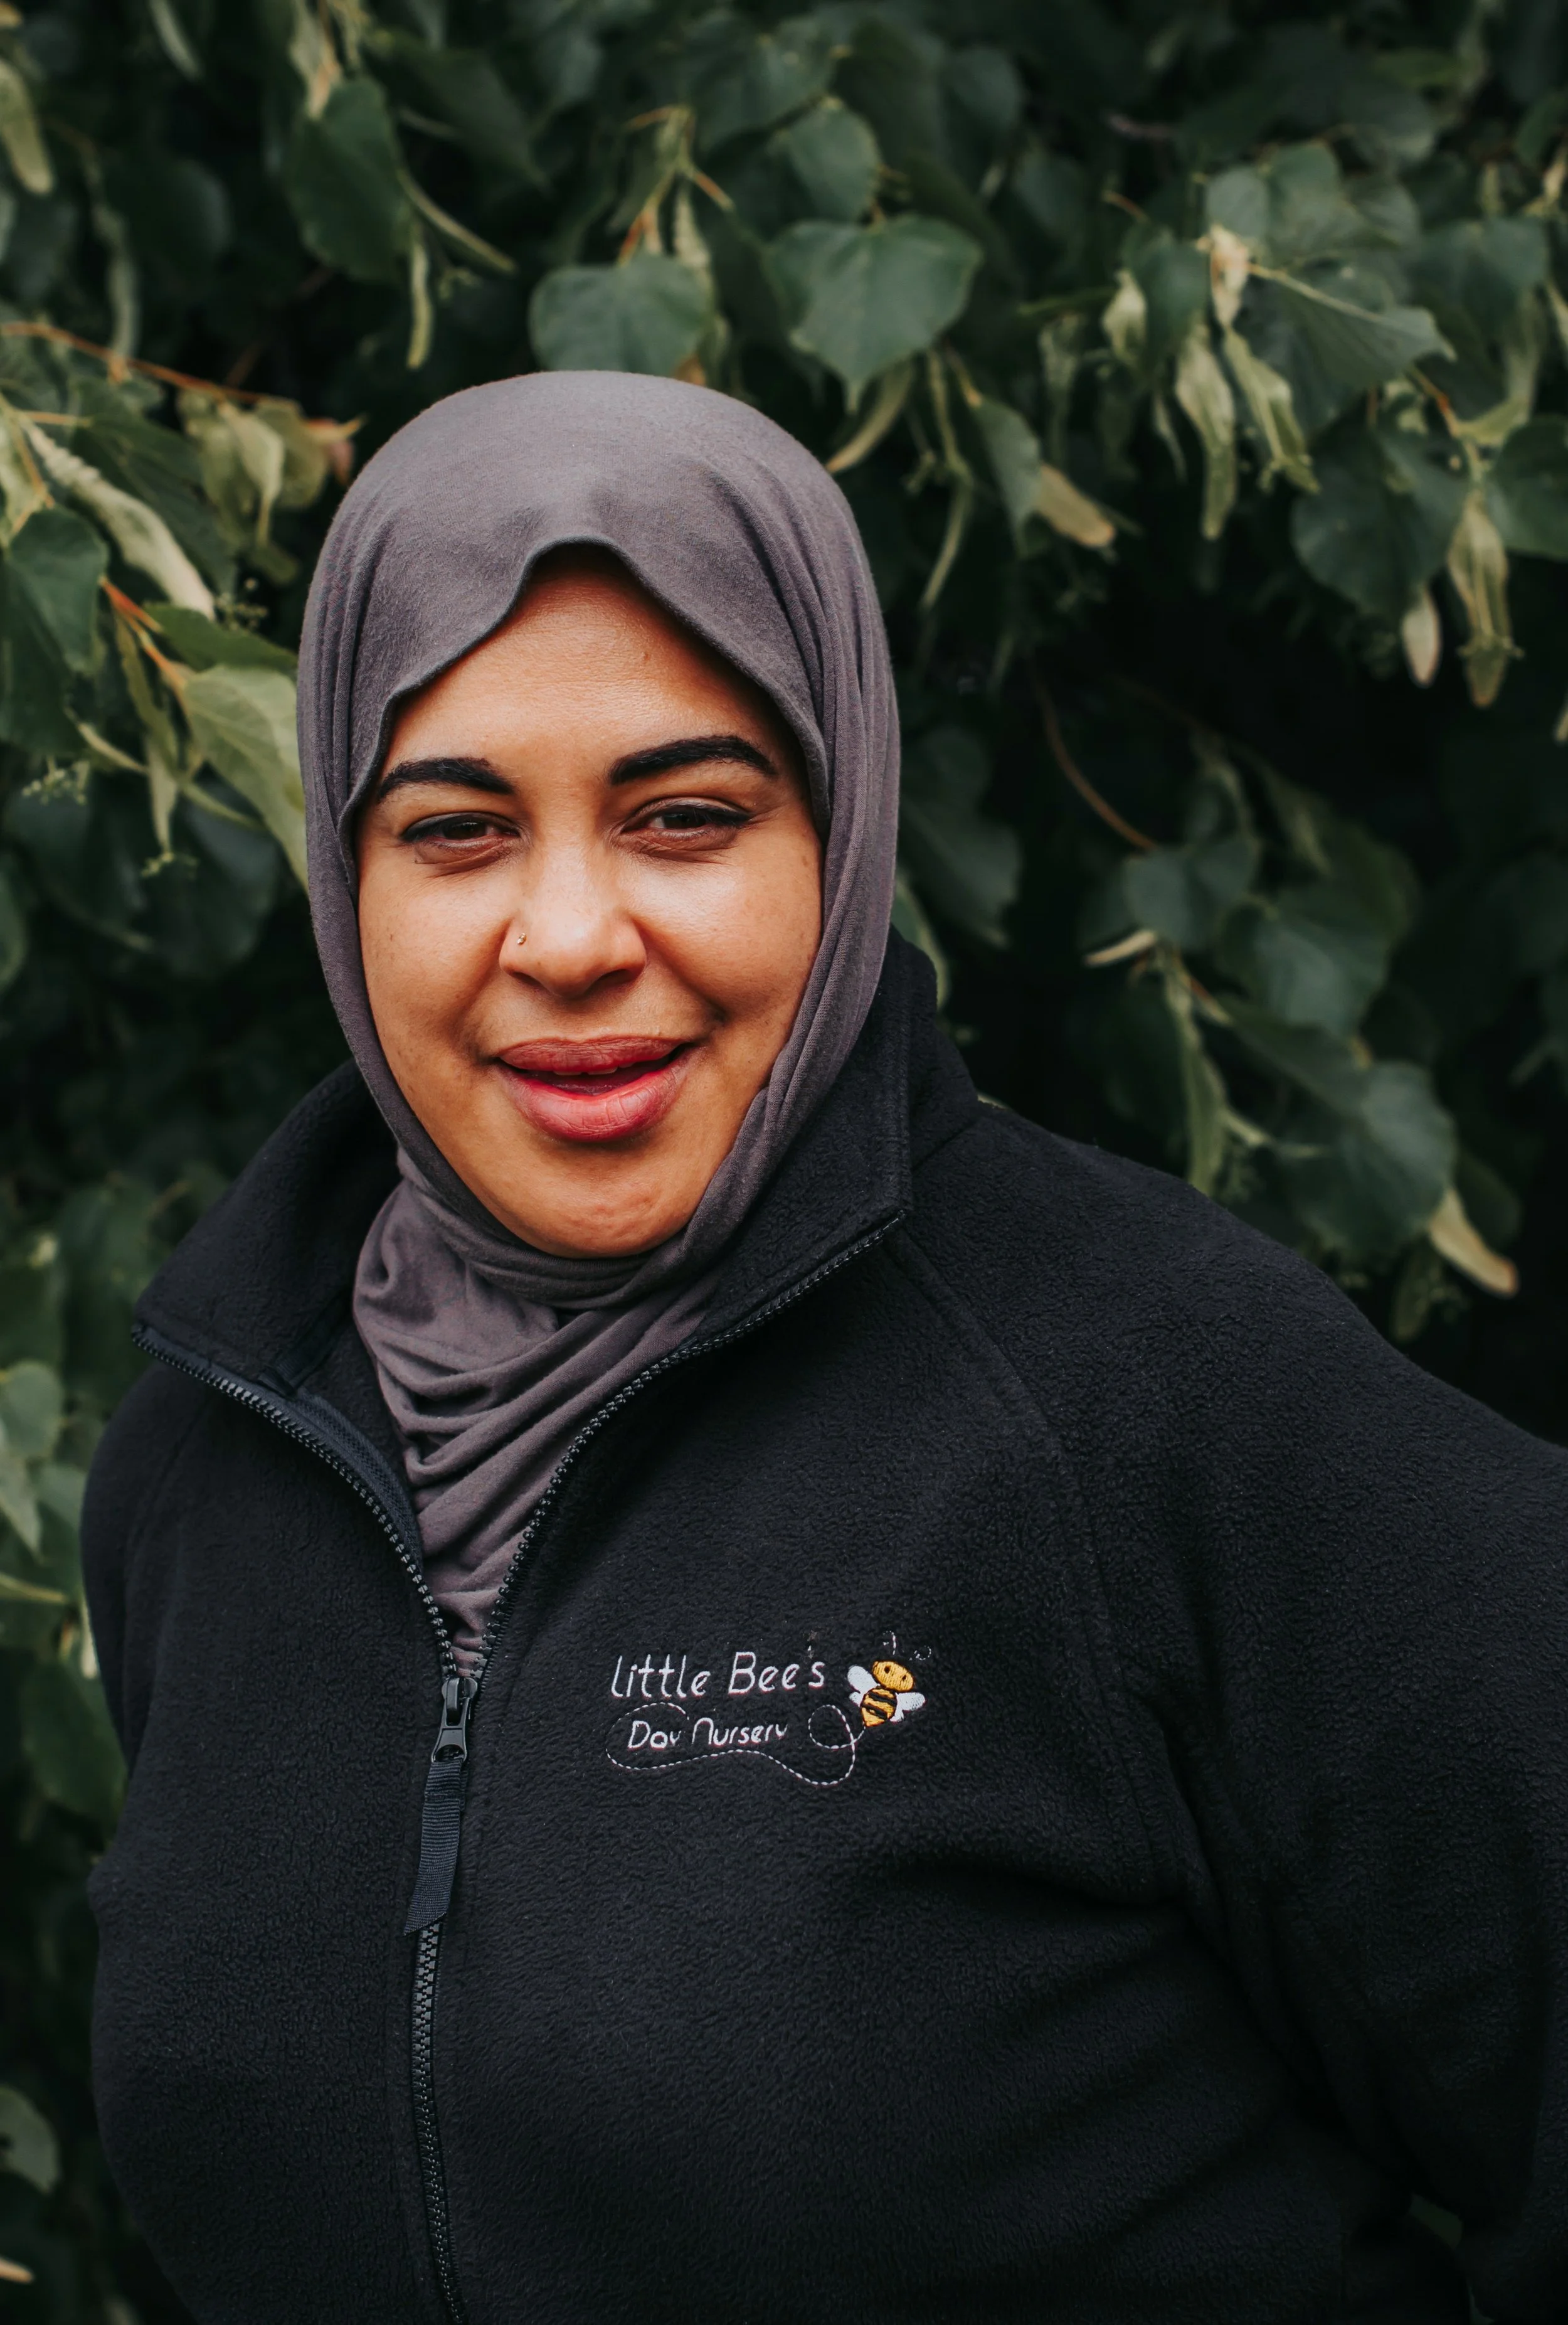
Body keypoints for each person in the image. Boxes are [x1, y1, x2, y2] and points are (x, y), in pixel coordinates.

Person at [82, 372, 1568, 2325]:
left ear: (845, 825)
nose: (568, 934)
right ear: (345, 893)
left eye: (683, 817)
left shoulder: (1155, 1401)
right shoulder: (211, 1461)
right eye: (454, 835)